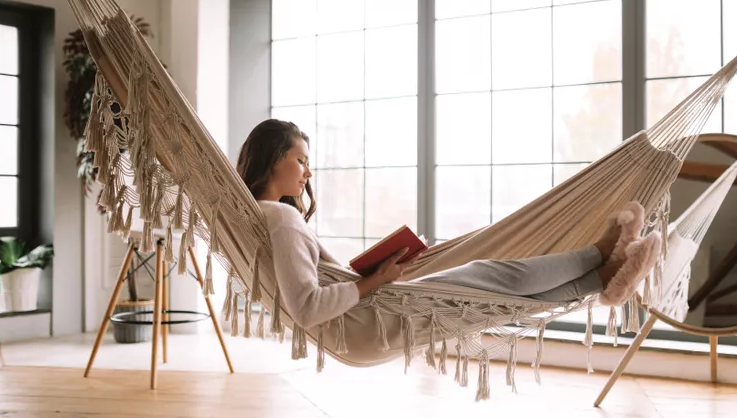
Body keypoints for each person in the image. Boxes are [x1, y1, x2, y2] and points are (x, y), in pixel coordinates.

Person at [236, 119, 662, 331]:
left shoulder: (271, 216)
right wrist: (377, 280)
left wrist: (371, 272)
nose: (308, 173)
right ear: (275, 158)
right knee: (491, 274)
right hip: (372, 315)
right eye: (301, 161)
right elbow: (307, 309)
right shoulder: (284, 218)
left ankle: (604, 277)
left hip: (373, 306)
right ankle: (599, 254)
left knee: (506, 296)